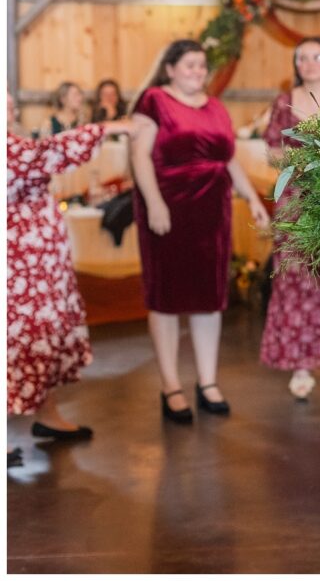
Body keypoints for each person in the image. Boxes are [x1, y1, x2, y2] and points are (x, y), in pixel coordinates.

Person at [130, 39, 269, 424]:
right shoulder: (154, 101)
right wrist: (155, 202)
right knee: (167, 297)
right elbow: (139, 155)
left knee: (209, 297)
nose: (197, 72)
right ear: (170, 68)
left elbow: (228, 161)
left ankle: (207, 382)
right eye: (189, 65)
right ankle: (170, 385)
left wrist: (253, 199)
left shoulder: (216, 108)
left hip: (212, 211)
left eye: (202, 66)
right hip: (168, 208)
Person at [7, 92, 135, 466]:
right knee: (18, 340)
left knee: (45, 333)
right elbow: (44, 154)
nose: (10, 105)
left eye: (10, 101)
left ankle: (47, 416)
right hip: (18, 267)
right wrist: (108, 128)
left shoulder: (12, 140)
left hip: (39, 263)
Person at [260, 38, 320, 402]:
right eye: (302, 57)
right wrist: (299, 162)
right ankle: (301, 363)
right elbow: (271, 152)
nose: (309, 62)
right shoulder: (284, 102)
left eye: (317, 56)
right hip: (295, 204)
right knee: (298, 282)